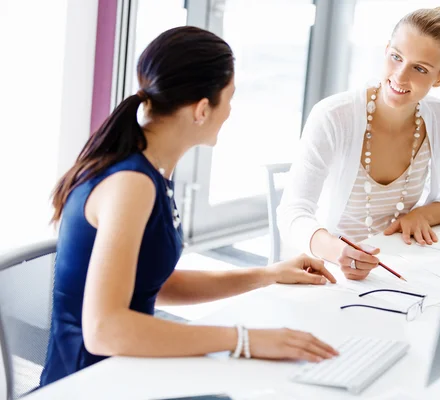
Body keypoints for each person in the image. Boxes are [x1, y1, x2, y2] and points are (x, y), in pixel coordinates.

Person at [40, 26, 338, 387]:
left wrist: (267, 274)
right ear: (201, 110)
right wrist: (244, 339)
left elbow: (151, 284)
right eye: (229, 97)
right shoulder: (131, 184)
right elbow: (105, 331)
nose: (230, 111)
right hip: (89, 385)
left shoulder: (148, 169)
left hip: (124, 371)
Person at [277, 7, 440, 281]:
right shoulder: (333, 116)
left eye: (419, 68)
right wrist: (338, 252)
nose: (400, 77)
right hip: (332, 271)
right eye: (396, 57)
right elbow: (292, 212)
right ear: (386, 50)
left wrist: (424, 214)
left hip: (403, 268)